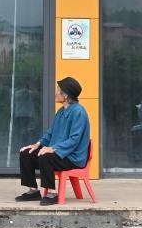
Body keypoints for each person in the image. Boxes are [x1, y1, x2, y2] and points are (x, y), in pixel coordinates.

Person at [15, 77, 90, 206]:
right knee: (26, 153)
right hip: (60, 153)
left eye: (58, 90)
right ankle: (33, 191)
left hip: (72, 157)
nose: (55, 93)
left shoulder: (79, 112)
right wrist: (37, 144)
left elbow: (74, 140)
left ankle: (52, 193)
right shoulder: (61, 111)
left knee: (46, 157)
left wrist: (53, 148)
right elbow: (50, 133)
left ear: (65, 95)